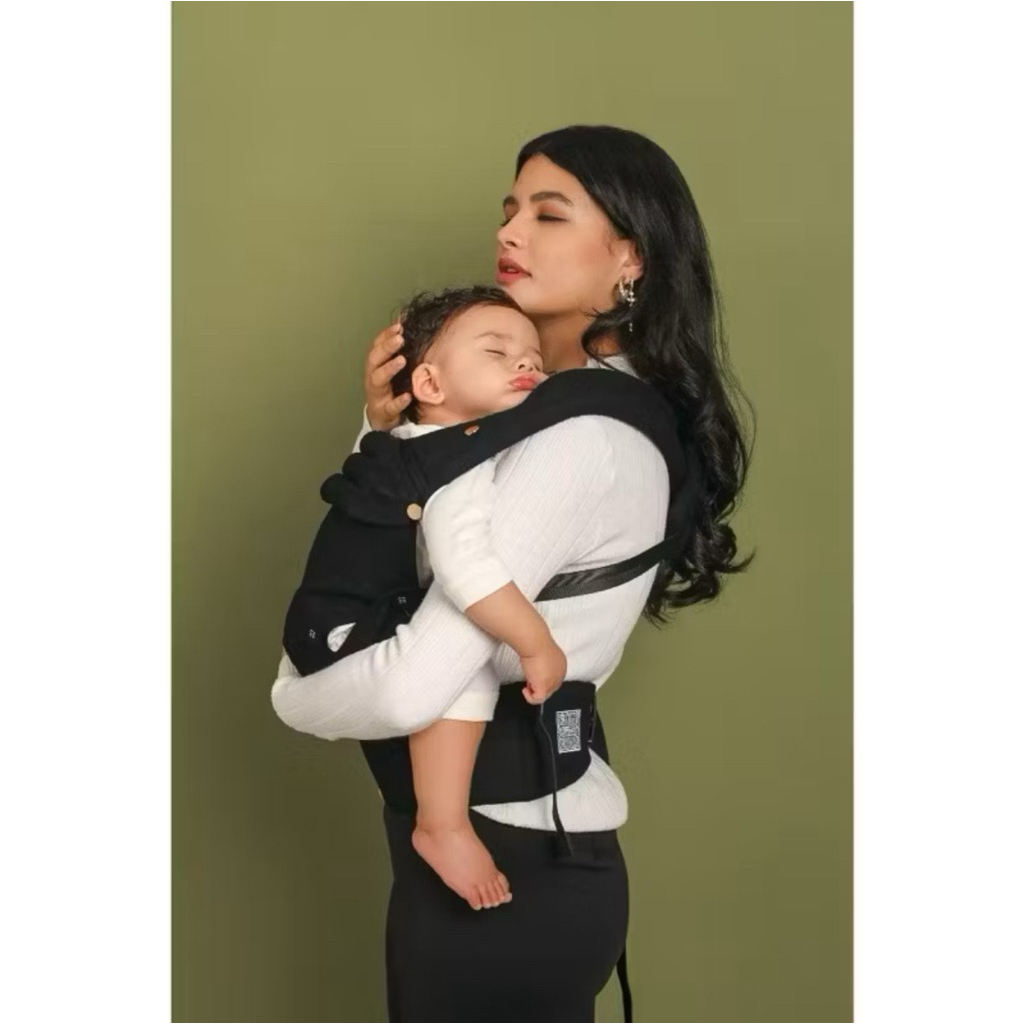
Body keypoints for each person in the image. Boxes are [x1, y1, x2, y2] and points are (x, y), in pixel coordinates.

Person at [272, 125, 753, 1023]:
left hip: (507, 866)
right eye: (509, 209)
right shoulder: (528, 412)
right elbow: (412, 552)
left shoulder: (582, 437)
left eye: (549, 213)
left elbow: (412, 683)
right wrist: (390, 431)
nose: (510, 232)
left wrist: (295, 696)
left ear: (630, 259)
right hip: (501, 854)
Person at [283, 285, 569, 912]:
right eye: (497, 351)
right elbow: (468, 568)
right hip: (343, 635)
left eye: (534, 357)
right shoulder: (454, 465)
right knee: (464, 652)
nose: (526, 363)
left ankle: (425, 802)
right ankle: (443, 824)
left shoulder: (407, 444)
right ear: (431, 385)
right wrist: (536, 642)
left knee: (444, 637)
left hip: (326, 623)